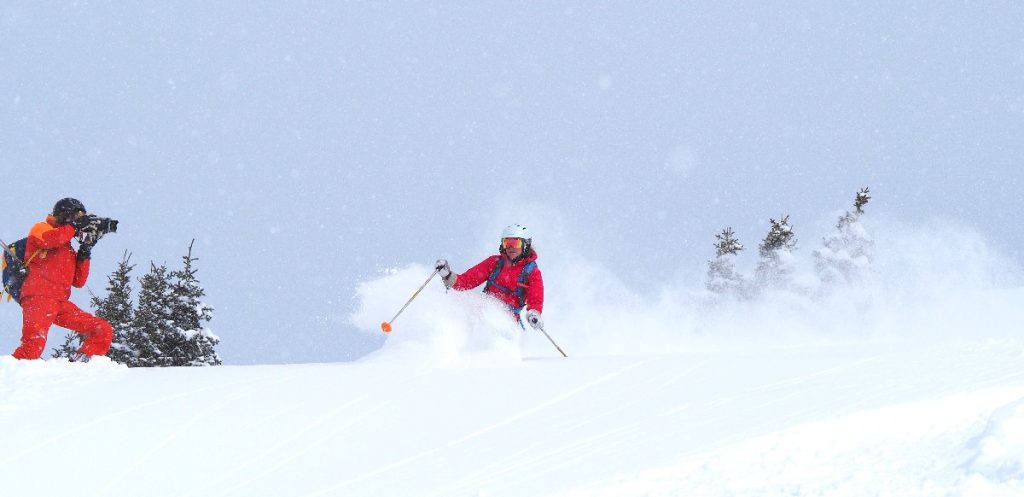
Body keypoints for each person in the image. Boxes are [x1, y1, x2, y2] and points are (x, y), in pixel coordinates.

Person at [11, 198, 113, 360]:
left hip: (60, 302)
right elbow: (47, 240)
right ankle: (9, 376)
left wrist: (85, 251)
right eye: (77, 216)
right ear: (65, 214)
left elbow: (78, 281)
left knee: (102, 329)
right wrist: (74, 226)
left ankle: (80, 366)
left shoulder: (68, 249)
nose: (80, 220)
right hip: (39, 297)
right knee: (33, 346)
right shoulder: (41, 228)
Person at [435, 224, 545, 330]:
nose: (511, 247)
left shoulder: (531, 272)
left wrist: (534, 314)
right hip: (485, 306)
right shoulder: (495, 263)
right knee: (461, 300)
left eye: (515, 243)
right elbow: (466, 281)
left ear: (525, 245)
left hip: (508, 317)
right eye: (507, 243)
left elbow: (536, 298)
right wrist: (447, 275)